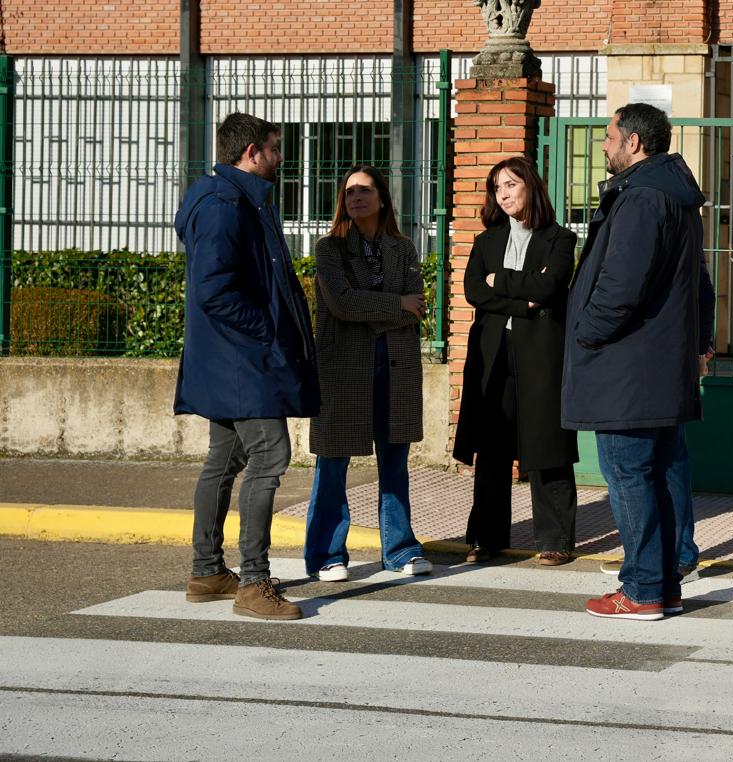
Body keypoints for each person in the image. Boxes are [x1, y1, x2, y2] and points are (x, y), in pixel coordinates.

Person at [563, 104, 714, 621]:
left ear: (633, 143)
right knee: (663, 470)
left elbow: (620, 287)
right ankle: (665, 583)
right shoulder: (674, 198)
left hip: (627, 366)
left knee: (629, 473)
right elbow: (701, 284)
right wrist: (700, 343)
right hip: (660, 364)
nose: (603, 146)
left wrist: (584, 333)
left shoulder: (643, 198)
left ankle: (643, 587)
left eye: (608, 137)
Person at [175, 111, 319, 621]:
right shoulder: (225, 205)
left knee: (224, 459)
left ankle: (207, 570)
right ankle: (254, 583)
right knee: (271, 456)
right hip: (242, 362)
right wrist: (266, 331)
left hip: (229, 360)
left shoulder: (227, 197)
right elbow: (214, 290)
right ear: (251, 152)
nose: (281, 158)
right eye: (275, 149)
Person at [303, 165, 432, 582]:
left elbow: (419, 308)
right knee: (333, 463)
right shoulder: (329, 249)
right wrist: (395, 306)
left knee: (394, 463)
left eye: (365, 190)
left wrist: (382, 308)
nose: (355, 198)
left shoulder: (403, 248)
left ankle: (399, 549)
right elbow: (342, 303)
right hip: (343, 371)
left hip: (395, 367)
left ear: (381, 198)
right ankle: (327, 554)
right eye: (349, 192)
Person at [454, 156, 579, 565]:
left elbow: (549, 284)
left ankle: (555, 539)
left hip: (541, 352)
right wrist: (525, 297)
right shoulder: (486, 241)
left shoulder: (560, 239)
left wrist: (501, 281)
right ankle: (486, 538)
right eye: (497, 188)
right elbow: (475, 290)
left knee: (547, 442)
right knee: (491, 445)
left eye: (510, 185)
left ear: (530, 187)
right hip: (494, 352)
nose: (503, 194)